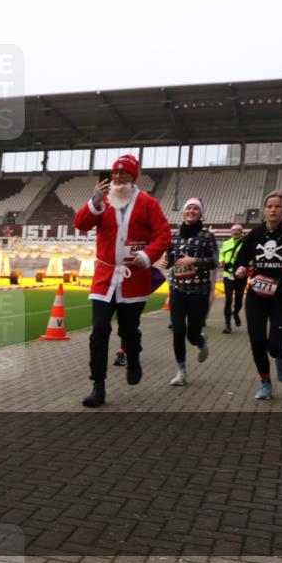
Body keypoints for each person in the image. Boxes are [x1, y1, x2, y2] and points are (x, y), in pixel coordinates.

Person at [74, 154, 171, 407]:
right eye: (115, 174)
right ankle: (98, 385)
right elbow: (81, 223)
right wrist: (93, 200)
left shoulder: (148, 203)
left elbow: (163, 234)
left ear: (133, 177)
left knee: (127, 329)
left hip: (133, 278)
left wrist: (147, 256)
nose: (117, 178)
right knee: (99, 330)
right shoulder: (102, 201)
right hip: (105, 278)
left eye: (123, 174)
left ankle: (134, 356)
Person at [234, 191, 282, 400]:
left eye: (277, 206)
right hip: (257, 295)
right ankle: (266, 383)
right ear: (264, 209)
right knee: (257, 341)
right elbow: (241, 258)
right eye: (269, 206)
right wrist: (240, 269)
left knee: (275, 345)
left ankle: (280, 357)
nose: (273, 210)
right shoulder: (255, 234)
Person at [156, 198, 217, 386]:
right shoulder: (174, 236)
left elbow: (214, 262)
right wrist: (165, 263)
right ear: (184, 212)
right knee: (178, 331)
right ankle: (181, 371)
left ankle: (200, 341)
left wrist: (195, 261)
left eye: (195, 209)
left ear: (201, 213)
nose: (191, 211)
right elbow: (171, 259)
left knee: (191, 334)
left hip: (199, 292)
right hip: (177, 291)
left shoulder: (207, 236)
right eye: (188, 208)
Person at [219, 224, 247, 333]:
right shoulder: (226, 243)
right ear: (231, 232)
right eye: (233, 230)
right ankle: (227, 325)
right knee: (228, 300)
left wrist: (245, 266)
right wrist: (221, 260)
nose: (235, 232)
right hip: (228, 274)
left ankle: (235, 313)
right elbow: (222, 254)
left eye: (237, 230)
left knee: (239, 299)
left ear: (241, 232)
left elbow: (250, 258)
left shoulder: (245, 243)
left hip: (241, 275)